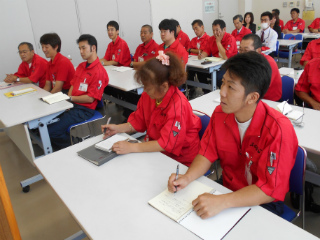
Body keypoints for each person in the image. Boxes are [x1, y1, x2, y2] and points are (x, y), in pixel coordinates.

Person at [168, 51, 298, 217]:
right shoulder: (221, 113)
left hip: (262, 203)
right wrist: (187, 177)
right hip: (227, 189)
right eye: (223, 83)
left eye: (231, 87)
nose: (222, 92)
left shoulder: (278, 129)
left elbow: (269, 190)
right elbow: (207, 153)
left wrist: (223, 201)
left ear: (252, 98)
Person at [101, 52, 201, 166]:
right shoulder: (149, 96)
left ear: (164, 86)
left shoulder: (178, 106)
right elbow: (138, 121)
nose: (144, 90)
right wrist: (118, 129)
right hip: (157, 152)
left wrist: (132, 147)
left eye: (148, 87)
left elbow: (165, 144)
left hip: (180, 161)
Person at [48, 34, 109, 150]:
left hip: (85, 109)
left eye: (83, 48)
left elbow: (90, 98)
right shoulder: (81, 66)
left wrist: (70, 99)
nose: (81, 51)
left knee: (52, 131)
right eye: (79, 48)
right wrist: (68, 102)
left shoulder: (99, 72)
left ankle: (73, 147)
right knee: (48, 122)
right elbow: (73, 85)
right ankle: (69, 143)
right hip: (73, 105)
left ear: (93, 48)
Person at [239, 34, 282, 101]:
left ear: (258, 51)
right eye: (240, 50)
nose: (242, 54)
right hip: (250, 98)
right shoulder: (243, 61)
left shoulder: (268, 63)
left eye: (246, 51)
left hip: (268, 101)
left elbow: (259, 88)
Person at [199, 19, 237, 89]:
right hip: (216, 64)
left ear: (224, 29)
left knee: (219, 77)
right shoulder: (211, 39)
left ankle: (221, 91)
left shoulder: (230, 38)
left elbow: (225, 57)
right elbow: (206, 51)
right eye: (213, 30)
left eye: (217, 30)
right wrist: (202, 55)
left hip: (229, 64)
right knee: (200, 73)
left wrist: (218, 42)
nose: (215, 33)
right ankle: (206, 92)